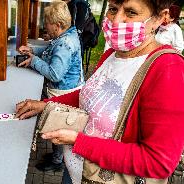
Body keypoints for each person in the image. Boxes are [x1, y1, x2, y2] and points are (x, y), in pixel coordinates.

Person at [15, 0, 184, 183]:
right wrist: (44, 104)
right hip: (75, 171)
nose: (117, 20)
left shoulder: (168, 69)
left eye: (131, 12)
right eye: (112, 9)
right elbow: (88, 94)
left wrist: (79, 143)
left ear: (159, 18)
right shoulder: (112, 53)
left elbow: (158, 162)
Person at [18, 1, 84, 172]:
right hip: (67, 89)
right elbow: (51, 50)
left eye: (47, 22)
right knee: (58, 127)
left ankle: (57, 162)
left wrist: (33, 60)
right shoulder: (65, 36)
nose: (44, 26)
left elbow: (55, 74)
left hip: (63, 92)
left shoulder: (65, 43)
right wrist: (32, 50)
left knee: (58, 127)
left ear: (58, 25)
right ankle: (57, 157)